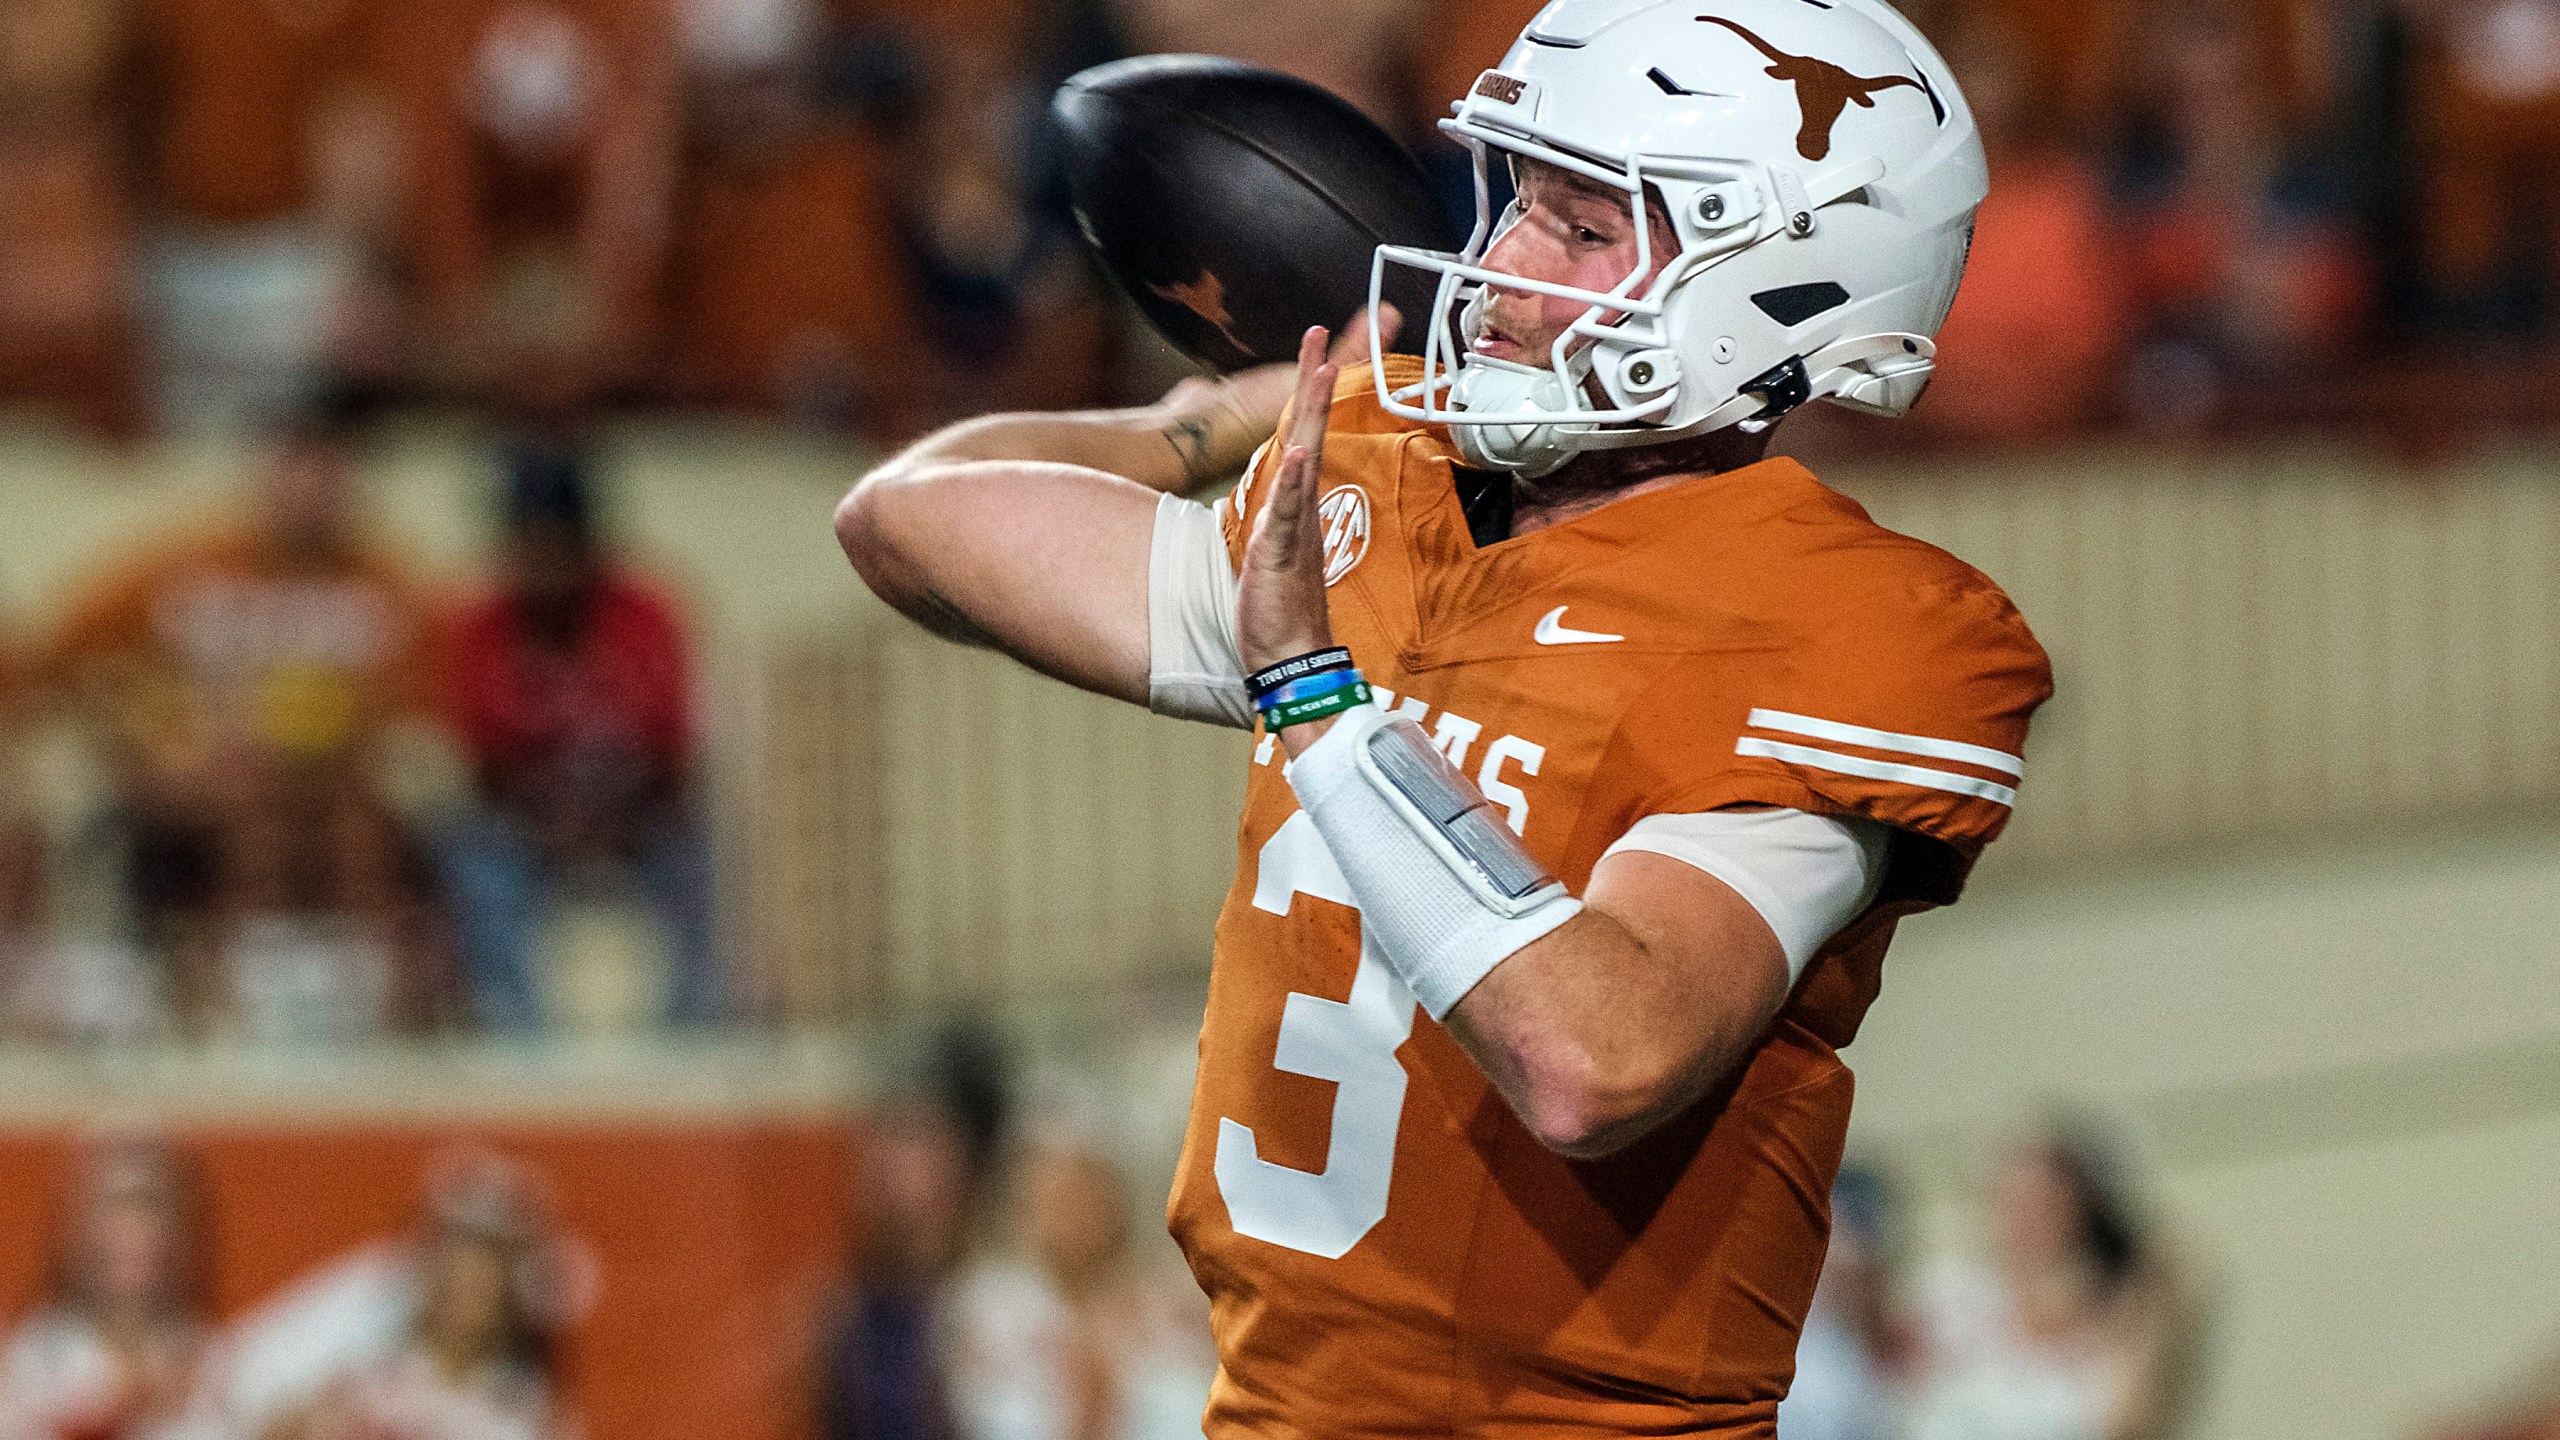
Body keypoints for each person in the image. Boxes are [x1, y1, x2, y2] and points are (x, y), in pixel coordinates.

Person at [836, 0, 2051, 1431]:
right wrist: (1217, 421)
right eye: (1518, 201)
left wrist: (1320, 700)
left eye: (1585, 231)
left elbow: (1596, 1057)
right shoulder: (1392, 481)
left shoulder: (1846, 624)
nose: (1502, 266)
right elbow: (908, 523)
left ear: (1782, 292)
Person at [35, 402, 446, 1040]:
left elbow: (422, 716)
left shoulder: (385, 583)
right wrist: (143, 750)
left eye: (326, 478)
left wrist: (316, 754)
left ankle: (368, 1012)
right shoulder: (183, 565)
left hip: (326, 790)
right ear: (267, 481)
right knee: (248, 815)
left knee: (346, 822)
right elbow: (64, 662)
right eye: (295, 475)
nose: (309, 497)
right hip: (191, 782)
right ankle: (245, 1003)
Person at [436, 437, 718, 1032]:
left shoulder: (645, 614)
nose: (542, 564)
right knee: (469, 850)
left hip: (635, 817)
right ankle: (514, 1031)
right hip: (526, 823)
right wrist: (553, 822)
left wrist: (607, 822)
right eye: (526, 544)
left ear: (589, 545)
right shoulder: (481, 624)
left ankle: (693, 1027)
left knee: (691, 850)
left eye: (556, 546)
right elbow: (483, 768)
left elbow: (671, 758)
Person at [1905, 1128, 2204, 1440]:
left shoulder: (2122, 1317)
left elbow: (2133, 1423)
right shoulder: (1948, 1297)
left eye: (2044, 1200)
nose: (2025, 1217)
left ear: (2084, 1211)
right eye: (2011, 1198)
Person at [946, 1135, 1215, 1440]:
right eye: (1056, 1197)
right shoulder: (993, 1316)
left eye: (1086, 1191)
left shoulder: (1175, 1305)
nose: (1073, 1213)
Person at [0, 1135, 220, 1440]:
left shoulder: (213, 1362)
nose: (131, 1230)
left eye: (148, 1206)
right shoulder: (30, 1359)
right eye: (111, 1208)